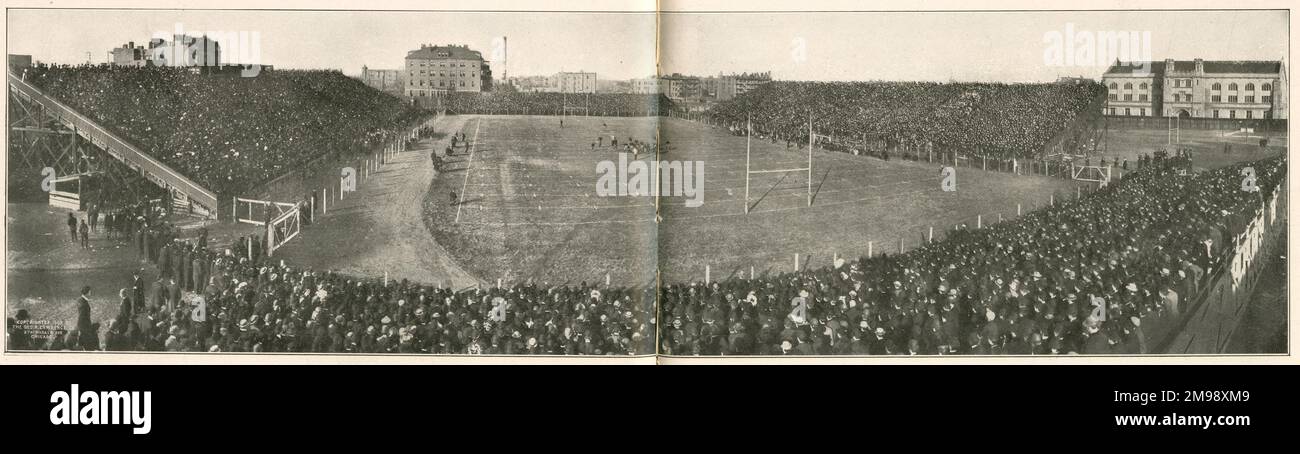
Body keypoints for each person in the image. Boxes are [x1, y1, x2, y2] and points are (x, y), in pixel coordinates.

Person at [76, 286, 95, 350]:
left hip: (82, 324)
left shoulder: (80, 299)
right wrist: (87, 326)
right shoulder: (83, 302)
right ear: (87, 292)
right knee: (86, 341)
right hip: (84, 325)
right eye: (90, 291)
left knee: (83, 341)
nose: (90, 292)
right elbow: (82, 315)